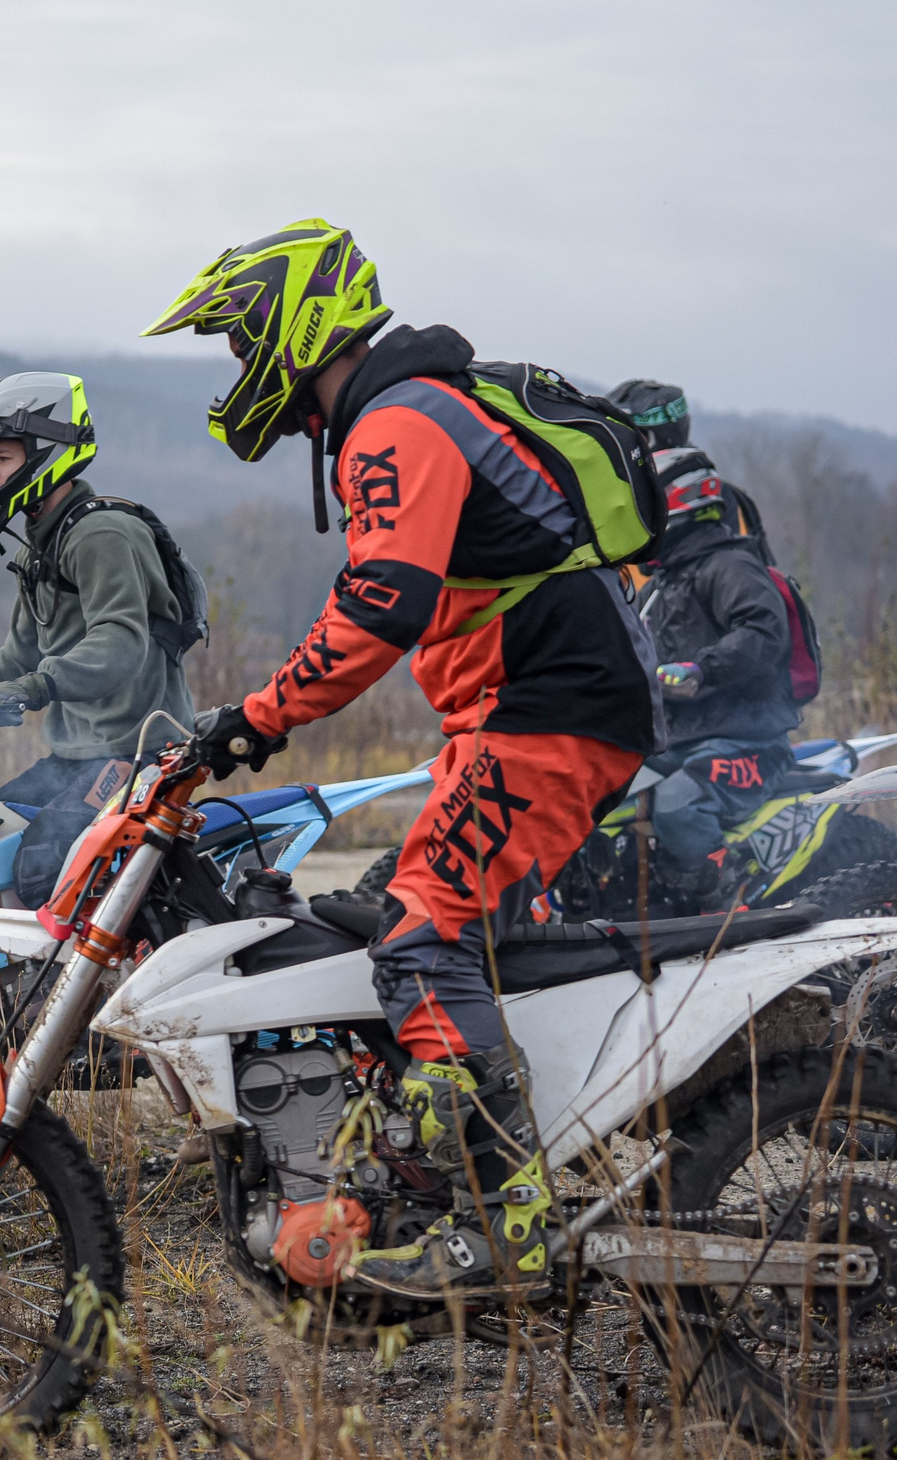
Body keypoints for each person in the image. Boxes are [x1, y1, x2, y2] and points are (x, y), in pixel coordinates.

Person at [144, 219, 663, 1301]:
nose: (240, 373)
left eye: (244, 346)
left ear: (296, 324)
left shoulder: (393, 421)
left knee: (421, 936)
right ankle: (453, 1170)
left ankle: (504, 1227)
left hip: (551, 708)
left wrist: (253, 717)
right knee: (407, 916)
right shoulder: (408, 408)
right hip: (527, 709)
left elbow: (382, 607)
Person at [0, 372, 197, 902]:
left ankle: (91, 978)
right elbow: (19, 653)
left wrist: (35, 688)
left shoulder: (102, 534)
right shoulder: (40, 545)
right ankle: (1, 984)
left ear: (46, 453)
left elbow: (121, 643)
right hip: (75, 753)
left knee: (43, 870)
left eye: (1, 457)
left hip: (137, 751)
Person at [607, 398, 799, 904]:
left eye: (646, 504)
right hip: (682, 740)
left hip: (745, 741)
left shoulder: (730, 566)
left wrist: (699, 670)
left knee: (675, 803)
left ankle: (728, 897)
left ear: (678, 502)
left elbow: (762, 633)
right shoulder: (661, 585)